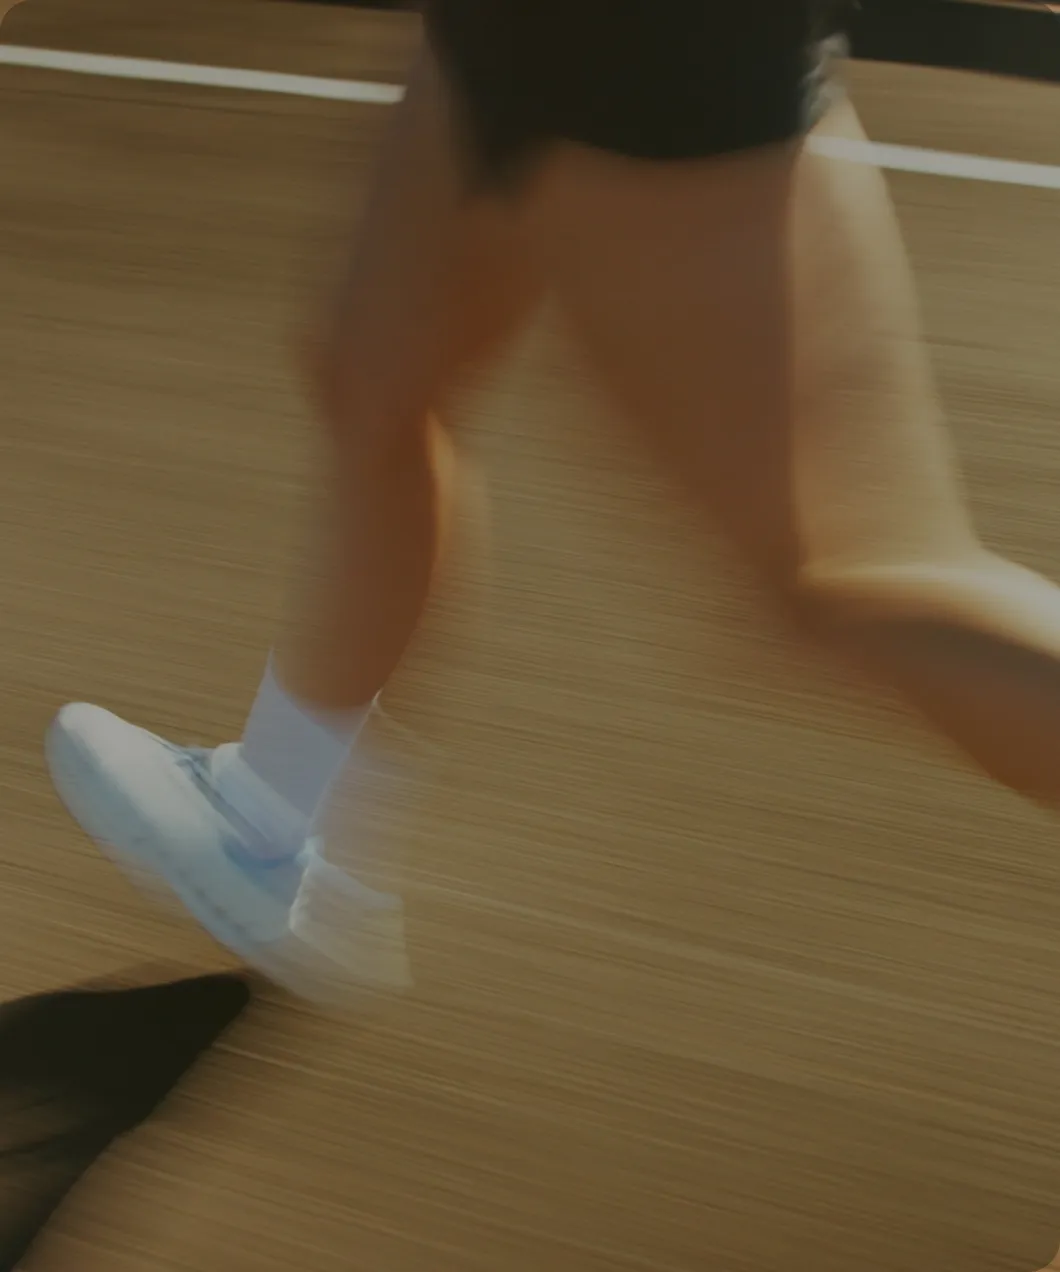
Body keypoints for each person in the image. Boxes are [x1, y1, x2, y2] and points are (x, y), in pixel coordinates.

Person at [43, 0, 1060, 1014]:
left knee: (840, 576)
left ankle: (267, 818)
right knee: (375, 372)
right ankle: (266, 818)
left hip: (634, 44)